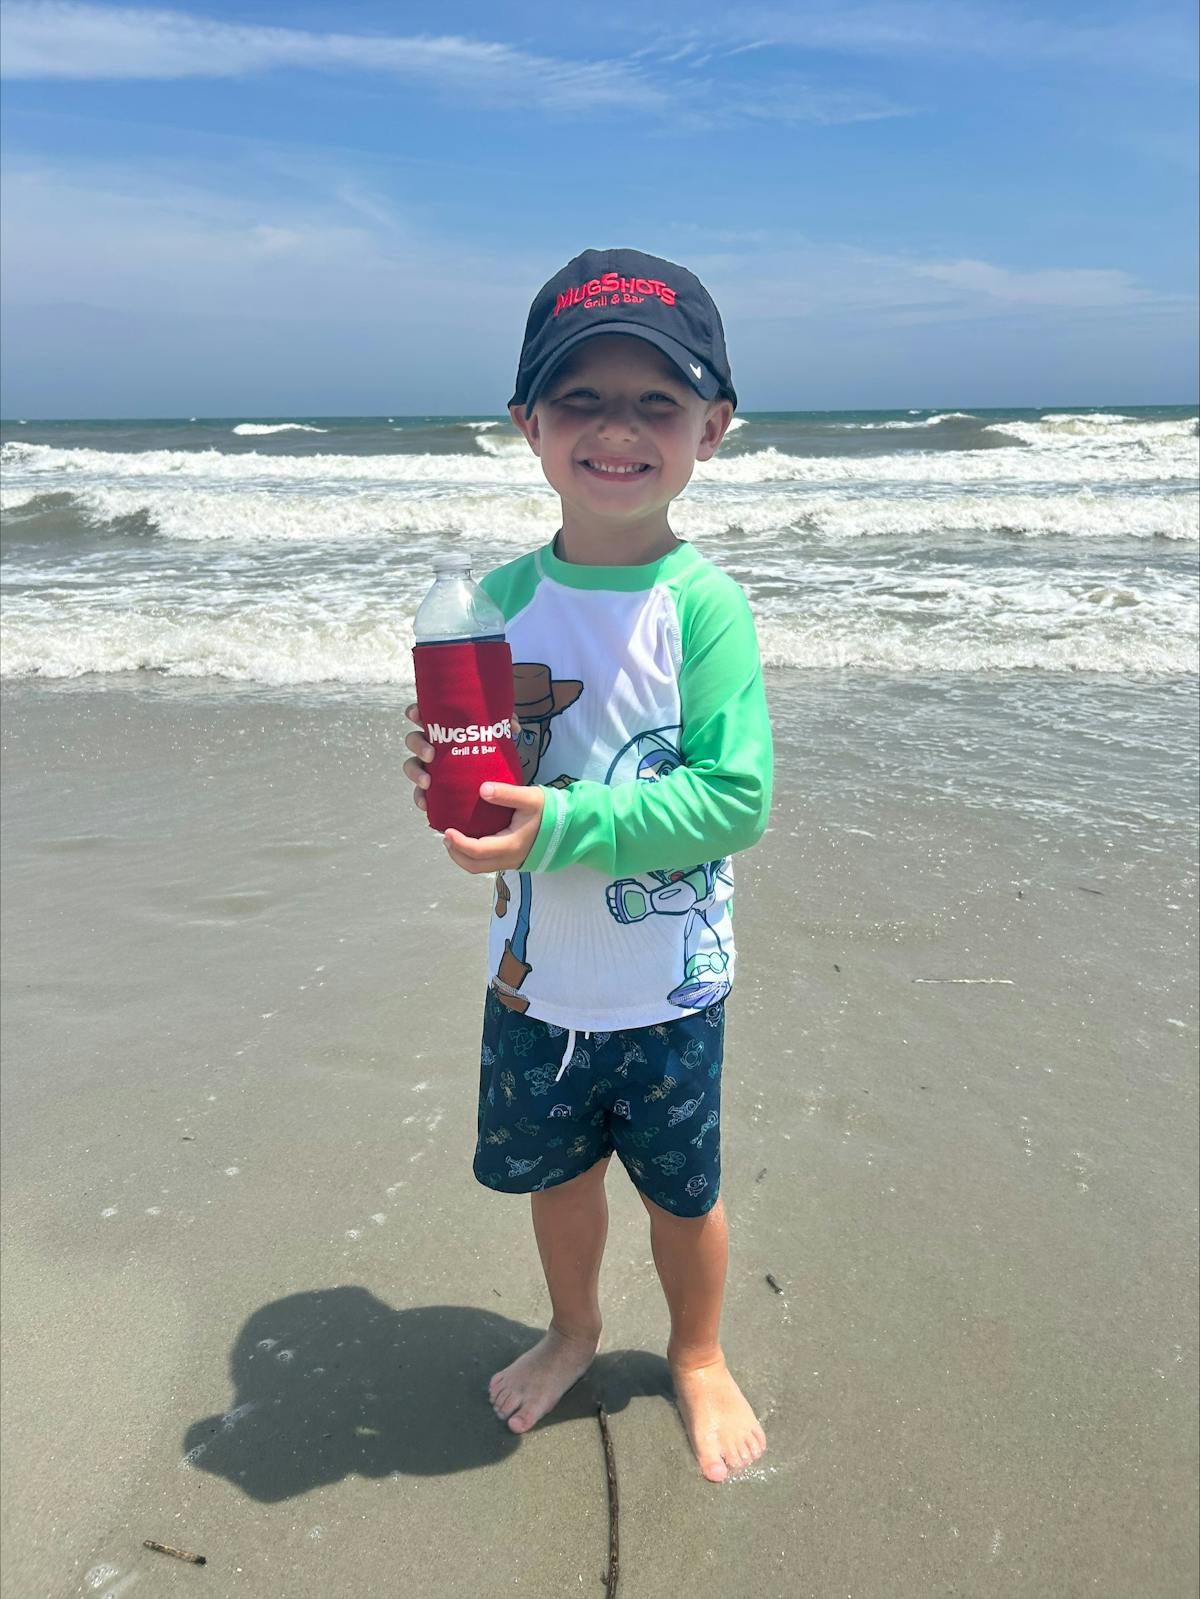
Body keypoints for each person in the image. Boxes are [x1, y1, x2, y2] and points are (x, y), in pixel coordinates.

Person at [403, 248, 774, 1482]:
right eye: (582, 400)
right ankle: (573, 1327)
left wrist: (554, 825)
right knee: (556, 1184)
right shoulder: (494, 605)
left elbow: (736, 800)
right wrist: (447, 787)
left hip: (671, 989)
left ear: (710, 430)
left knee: (684, 1195)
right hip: (534, 984)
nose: (618, 430)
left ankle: (701, 1351)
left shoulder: (703, 607)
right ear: (529, 425)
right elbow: (485, 779)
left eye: (656, 403)